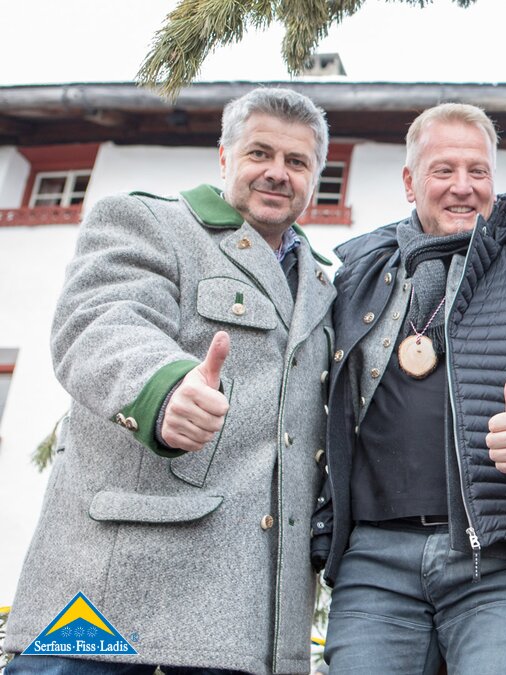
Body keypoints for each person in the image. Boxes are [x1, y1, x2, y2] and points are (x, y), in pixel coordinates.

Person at [2, 88, 334, 674]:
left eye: (297, 162)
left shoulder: (327, 286)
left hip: (249, 625)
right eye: (260, 153)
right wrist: (164, 389)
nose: (277, 173)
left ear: (315, 177)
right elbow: (100, 323)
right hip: (107, 600)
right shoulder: (147, 222)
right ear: (224, 156)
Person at [309, 102, 506, 675]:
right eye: (443, 170)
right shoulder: (355, 276)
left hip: (502, 557)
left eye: (477, 171)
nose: (463, 187)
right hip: (373, 559)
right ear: (410, 181)